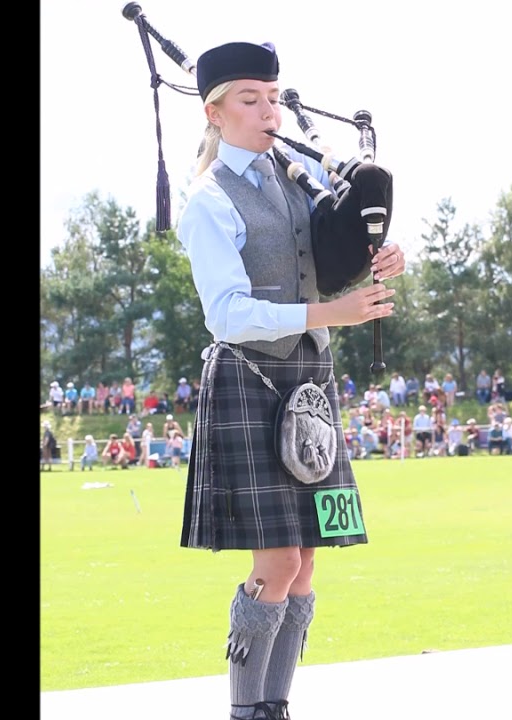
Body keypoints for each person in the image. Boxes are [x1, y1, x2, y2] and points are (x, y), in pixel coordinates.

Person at [175, 40, 405, 720]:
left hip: (310, 376)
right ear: (215, 113)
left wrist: (376, 257)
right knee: (275, 563)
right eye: (250, 99)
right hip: (249, 377)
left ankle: (275, 705)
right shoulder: (207, 200)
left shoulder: (299, 176)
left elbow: (328, 258)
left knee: (306, 561)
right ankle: (249, 711)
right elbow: (227, 313)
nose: (268, 110)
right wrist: (333, 311)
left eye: (273, 97)